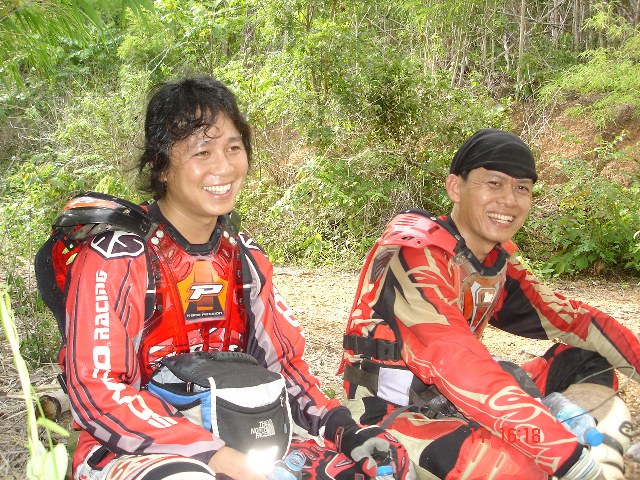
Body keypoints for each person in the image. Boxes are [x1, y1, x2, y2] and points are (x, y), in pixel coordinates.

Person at [52, 76, 411, 480]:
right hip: (133, 449)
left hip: (244, 435)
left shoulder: (244, 256)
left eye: (233, 148)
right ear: (160, 166)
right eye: (202, 152)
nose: (223, 167)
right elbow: (96, 389)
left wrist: (345, 430)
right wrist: (211, 455)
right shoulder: (117, 256)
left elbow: (284, 366)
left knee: (379, 467)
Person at [339, 129, 640, 480]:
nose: (509, 199)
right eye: (494, 183)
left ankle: (582, 448)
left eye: (522, 187)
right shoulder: (412, 253)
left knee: (586, 359)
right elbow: (454, 358)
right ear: (455, 187)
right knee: (522, 468)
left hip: (460, 399)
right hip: (395, 412)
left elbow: (574, 321)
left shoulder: (496, 261)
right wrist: (560, 451)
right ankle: (579, 452)